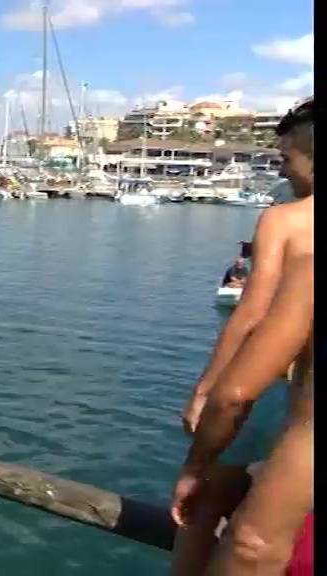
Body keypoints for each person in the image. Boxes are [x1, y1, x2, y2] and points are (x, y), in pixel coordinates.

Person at [172, 97, 314, 575]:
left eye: (286, 160)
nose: (285, 172)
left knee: (215, 502)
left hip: (278, 385)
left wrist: (204, 389)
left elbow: (251, 314)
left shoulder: (285, 218)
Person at [176, 254, 313, 576]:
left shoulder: (289, 233)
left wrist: (196, 467)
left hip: (299, 463)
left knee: (236, 532)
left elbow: (235, 396)